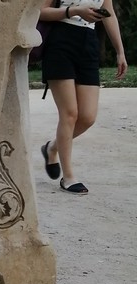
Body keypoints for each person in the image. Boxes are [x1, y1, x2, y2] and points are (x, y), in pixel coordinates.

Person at [39, 0, 128, 194]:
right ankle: (69, 177)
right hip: (60, 42)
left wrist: (120, 51)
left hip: (88, 41)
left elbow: (109, 13)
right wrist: (74, 11)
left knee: (87, 117)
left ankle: (52, 147)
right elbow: (40, 12)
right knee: (70, 113)